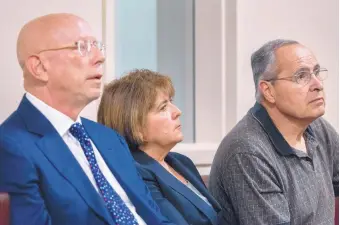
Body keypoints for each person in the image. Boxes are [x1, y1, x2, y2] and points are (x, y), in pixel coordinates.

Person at [0, 13, 175, 225]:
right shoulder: (11, 146)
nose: (99, 58)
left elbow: (154, 217)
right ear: (39, 67)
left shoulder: (108, 138)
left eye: (97, 47)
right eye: (82, 47)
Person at [209, 39, 339, 225]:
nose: (318, 84)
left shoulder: (319, 129)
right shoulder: (247, 152)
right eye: (301, 76)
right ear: (268, 91)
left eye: (316, 72)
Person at [97, 69, 221, 225]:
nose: (177, 112)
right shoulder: (136, 173)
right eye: (163, 108)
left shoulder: (182, 162)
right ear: (135, 125)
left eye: (171, 101)